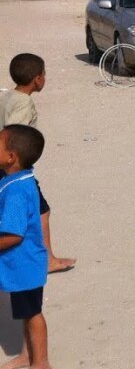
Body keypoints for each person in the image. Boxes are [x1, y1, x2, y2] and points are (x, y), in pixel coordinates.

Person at [0, 53, 74, 273]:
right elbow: (15, 136)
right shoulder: (24, 103)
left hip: (7, 166)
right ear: (37, 79)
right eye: (44, 74)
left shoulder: (8, 96)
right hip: (14, 169)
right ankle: (46, 260)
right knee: (41, 210)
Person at [0, 124, 53, 369]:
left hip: (25, 265)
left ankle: (41, 365)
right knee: (25, 311)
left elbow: (14, 235)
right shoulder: (19, 179)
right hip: (22, 265)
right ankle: (27, 355)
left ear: (11, 157)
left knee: (33, 314)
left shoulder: (16, 192)